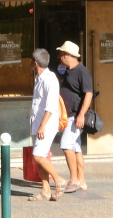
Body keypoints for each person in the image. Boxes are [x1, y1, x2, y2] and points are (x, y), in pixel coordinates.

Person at [28, 48, 66, 201]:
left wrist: (42, 125)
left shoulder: (50, 79)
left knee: (37, 156)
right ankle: (45, 190)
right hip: (37, 122)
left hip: (46, 124)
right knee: (41, 156)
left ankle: (59, 179)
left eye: (31, 60)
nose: (30, 63)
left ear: (35, 63)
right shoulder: (39, 78)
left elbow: (50, 106)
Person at [57, 40, 93, 194]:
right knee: (76, 148)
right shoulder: (67, 71)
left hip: (75, 116)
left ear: (68, 55)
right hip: (69, 115)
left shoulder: (82, 71)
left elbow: (88, 94)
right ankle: (82, 180)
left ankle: (74, 180)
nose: (59, 57)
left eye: (61, 54)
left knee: (66, 145)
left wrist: (81, 115)